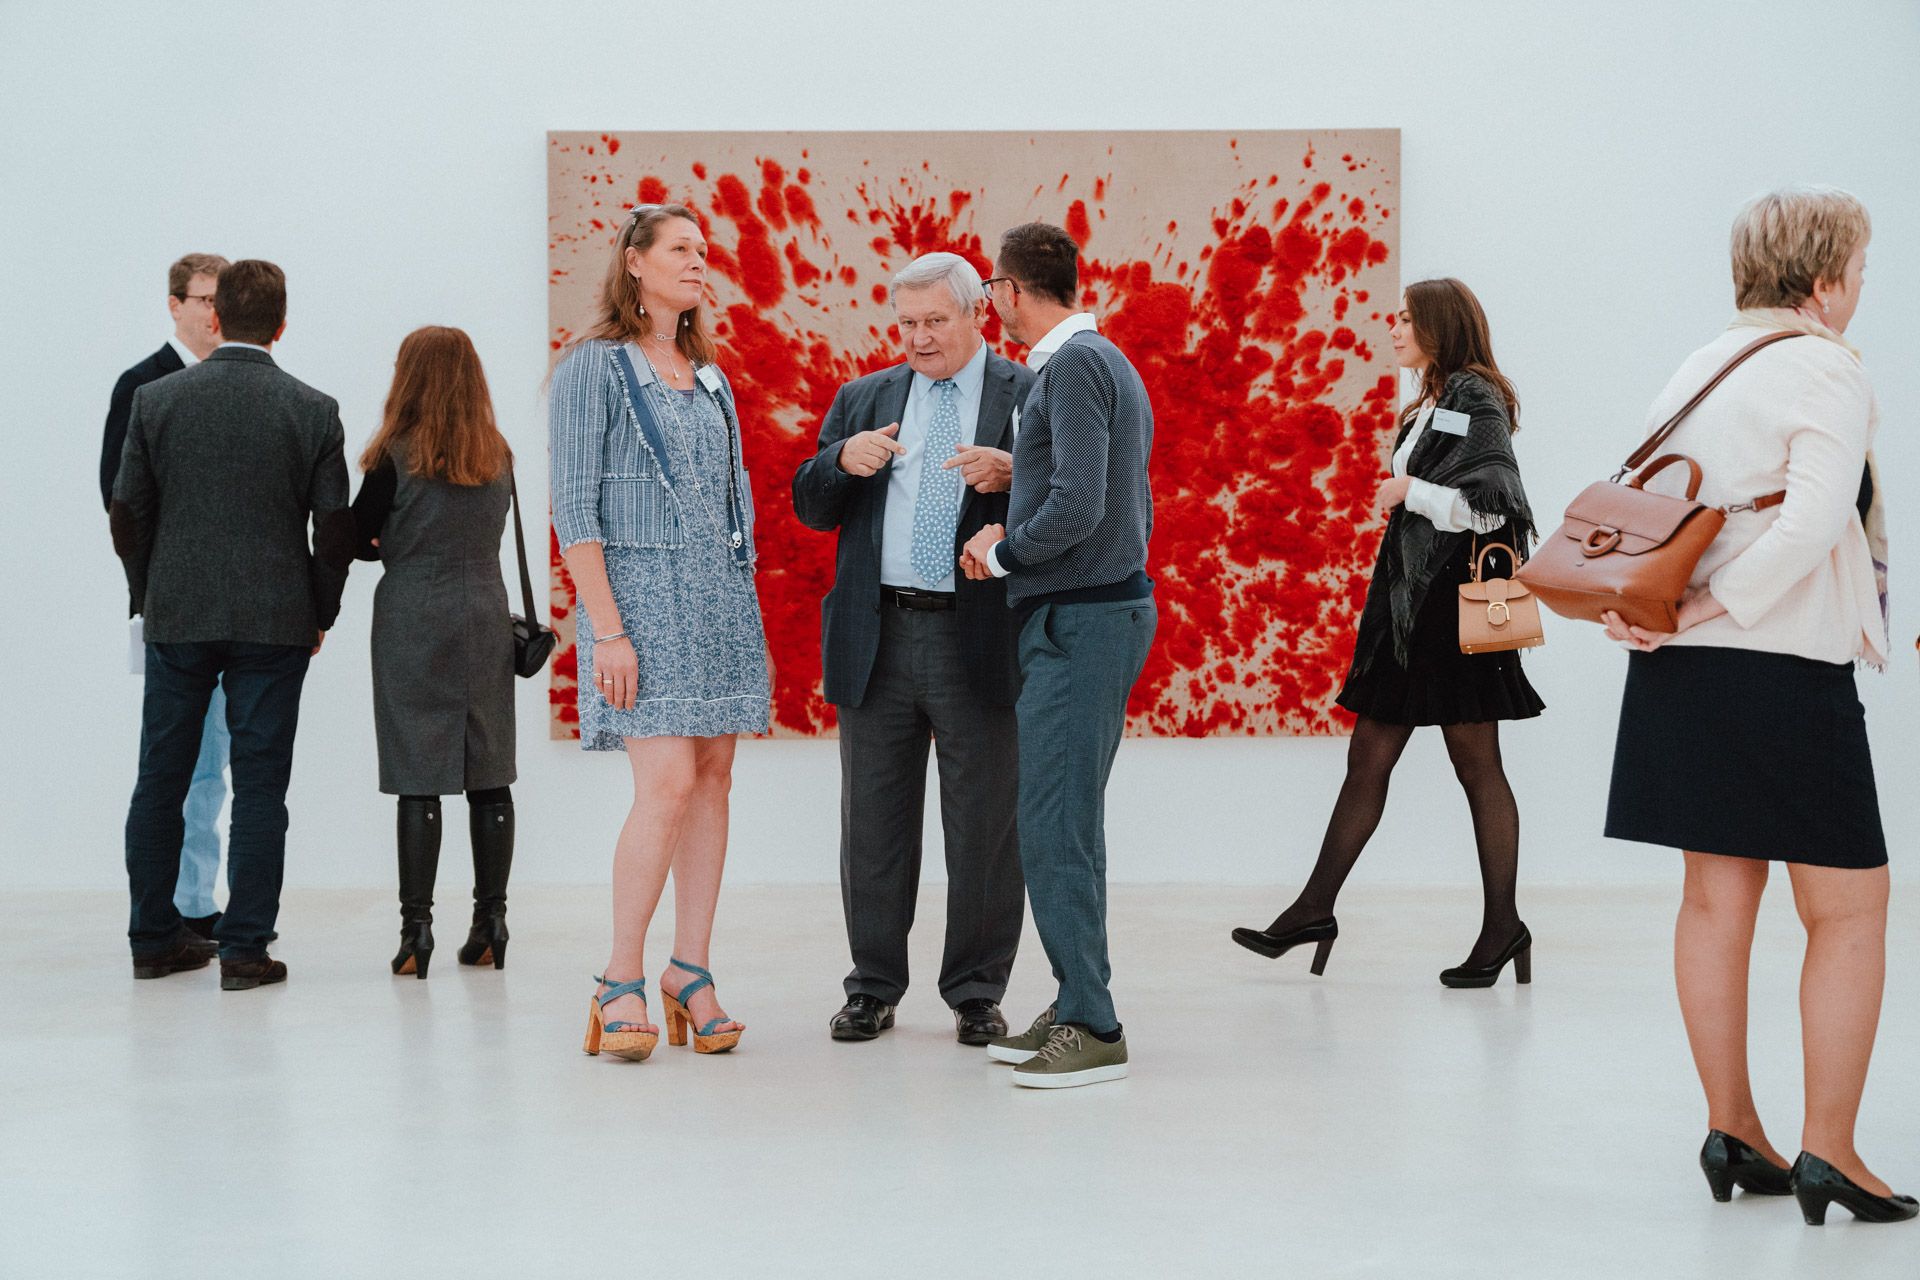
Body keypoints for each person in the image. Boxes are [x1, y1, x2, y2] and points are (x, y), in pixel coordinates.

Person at [1601, 187, 1913, 1226]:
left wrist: (1682, 612)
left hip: (1684, 673)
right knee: (1850, 907)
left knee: (1713, 897)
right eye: (1859, 271)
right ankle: (1831, 1151)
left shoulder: (1702, 365)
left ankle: (1732, 1128)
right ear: (1823, 281)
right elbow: (1815, 519)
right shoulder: (1825, 364)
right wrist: (1712, 603)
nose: (1861, 289)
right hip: (1778, 666)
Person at [1231, 278, 1542, 987]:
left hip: (1449, 609)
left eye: (1405, 318)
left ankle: (1501, 928)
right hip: (1410, 611)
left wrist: (1413, 492)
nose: (1392, 327)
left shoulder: (1474, 395)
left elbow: (1498, 507)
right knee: (1371, 756)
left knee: (1475, 766)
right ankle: (1314, 909)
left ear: (1438, 324)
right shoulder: (1432, 399)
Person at [793, 252, 1032, 1046]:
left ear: (976, 314)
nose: (919, 337)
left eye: (935, 320)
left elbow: (1074, 503)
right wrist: (840, 462)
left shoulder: (1028, 393)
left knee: (985, 830)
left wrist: (1015, 476)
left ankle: (976, 992)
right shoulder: (864, 398)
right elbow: (811, 507)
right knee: (873, 826)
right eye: (906, 323)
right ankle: (871, 988)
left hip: (981, 636)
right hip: (878, 636)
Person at [550, 203, 768, 1061]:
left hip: (718, 597)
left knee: (713, 778)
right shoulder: (594, 366)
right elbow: (575, 508)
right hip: (638, 602)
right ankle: (618, 979)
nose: (698, 260)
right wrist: (607, 631)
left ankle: (690, 970)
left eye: (703, 250)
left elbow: (729, 497)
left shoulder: (708, 374)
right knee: (667, 783)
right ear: (634, 262)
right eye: (680, 248)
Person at [111, 259, 350, 991]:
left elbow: (127, 512)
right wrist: (321, 610)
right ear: (281, 325)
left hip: (178, 614)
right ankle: (244, 951)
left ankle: (153, 941)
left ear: (216, 319)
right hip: (275, 620)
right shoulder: (313, 409)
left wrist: (149, 592)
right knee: (260, 786)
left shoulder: (155, 400)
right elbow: (333, 529)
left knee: (161, 778)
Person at [960, 221, 1155, 1089]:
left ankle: (1093, 1025)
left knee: (1054, 826)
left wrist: (1003, 550)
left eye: (989, 291)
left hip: (1082, 621)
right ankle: (1077, 996)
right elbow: (1092, 483)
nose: (990, 304)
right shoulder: (1097, 360)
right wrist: (1019, 473)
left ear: (1008, 291)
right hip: (1090, 616)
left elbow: (1080, 506)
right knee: (1062, 821)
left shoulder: (1072, 366)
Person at [338, 326, 518, 980]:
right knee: (489, 772)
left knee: (418, 774)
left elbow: (355, 537)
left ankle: (416, 932)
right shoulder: (497, 453)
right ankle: (491, 922)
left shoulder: (395, 454)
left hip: (413, 615)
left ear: (409, 376)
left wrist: (388, 543)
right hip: (486, 615)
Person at [100, 252, 233, 940]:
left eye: (222, 299)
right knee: (176, 762)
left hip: (235, 606)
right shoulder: (142, 384)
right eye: (203, 299)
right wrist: (154, 591)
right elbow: (119, 500)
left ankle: (195, 902)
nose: (214, 313)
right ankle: (170, 909)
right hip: (174, 608)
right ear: (175, 304)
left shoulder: (238, 383)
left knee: (212, 764)